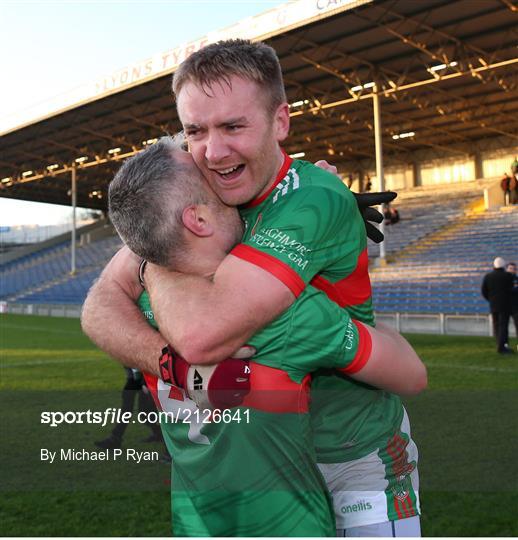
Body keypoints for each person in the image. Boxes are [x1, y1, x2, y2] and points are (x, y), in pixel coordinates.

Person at [82, 39, 422, 536]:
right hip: (265, 465)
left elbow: (203, 333)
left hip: (354, 455)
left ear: (280, 122)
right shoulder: (204, 187)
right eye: (195, 130)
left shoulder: (307, 203)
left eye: (233, 126)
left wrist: (149, 261)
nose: (213, 150)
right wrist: (170, 363)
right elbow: (98, 308)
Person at [94, 367, 164, 451]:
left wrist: (143, 384)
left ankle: (164, 437)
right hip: (136, 378)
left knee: (145, 412)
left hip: (144, 378)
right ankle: (115, 437)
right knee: (131, 407)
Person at [481, 257, 514, 354]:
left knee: (496, 326)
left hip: (493, 305)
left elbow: (484, 291)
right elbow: (511, 290)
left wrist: (490, 299)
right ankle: (502, 347)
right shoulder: (508, 276)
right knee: (503, 326)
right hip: (505, 305)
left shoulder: (488, 276)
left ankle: (498, 344)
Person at [506, 262, 518, 340]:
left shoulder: (517, 279)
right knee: (503, 327)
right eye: (510, 268)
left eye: (514, 269)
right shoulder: (503, 279)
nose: (512, 270)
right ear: (507, 269)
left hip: (516, 306)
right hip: (505, 306)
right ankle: (504, 344)